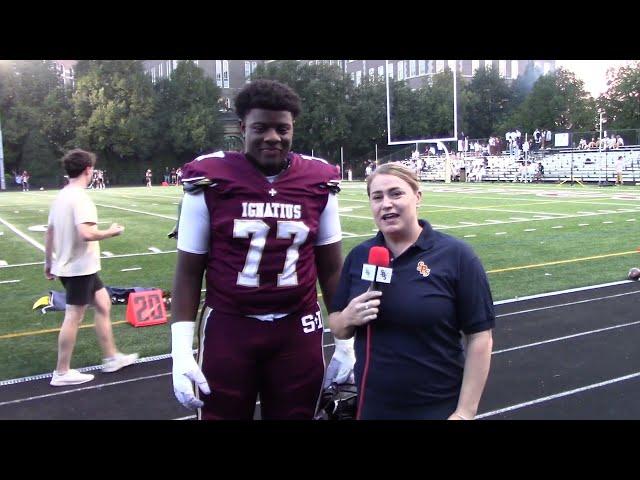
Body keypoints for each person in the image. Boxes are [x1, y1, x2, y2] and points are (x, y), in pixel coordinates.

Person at [170, 79, 354, 420]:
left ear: (293, 129)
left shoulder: (318, 182)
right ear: (243, 128)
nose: (273, 137)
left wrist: (345, 342)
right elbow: (188, 272)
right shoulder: (210, 180)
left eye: (282, 128)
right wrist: (180, 350)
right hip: (230, 325)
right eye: (261, 127)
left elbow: (330, 268)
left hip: (297, 326)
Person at [328, 162, 494, 420]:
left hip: (437, 408)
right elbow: (337, 325)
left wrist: (464, 412)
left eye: (396, 193)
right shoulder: (360, 256)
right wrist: (348, 317)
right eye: (377, 197)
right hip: (373, 408)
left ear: (417, 197)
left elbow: (480, 337)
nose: (386, 204)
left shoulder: (456, 256)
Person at [44, 149, 138, 387]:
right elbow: (86, 233)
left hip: (75, 266)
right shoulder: (79, 198)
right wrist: (111, 231)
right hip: (79, 267)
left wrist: (48, 262)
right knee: (73, 315)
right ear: (88, 170)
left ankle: (111, 358)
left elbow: (50, 232)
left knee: (104, 303)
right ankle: (62, 372)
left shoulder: (62, 195)